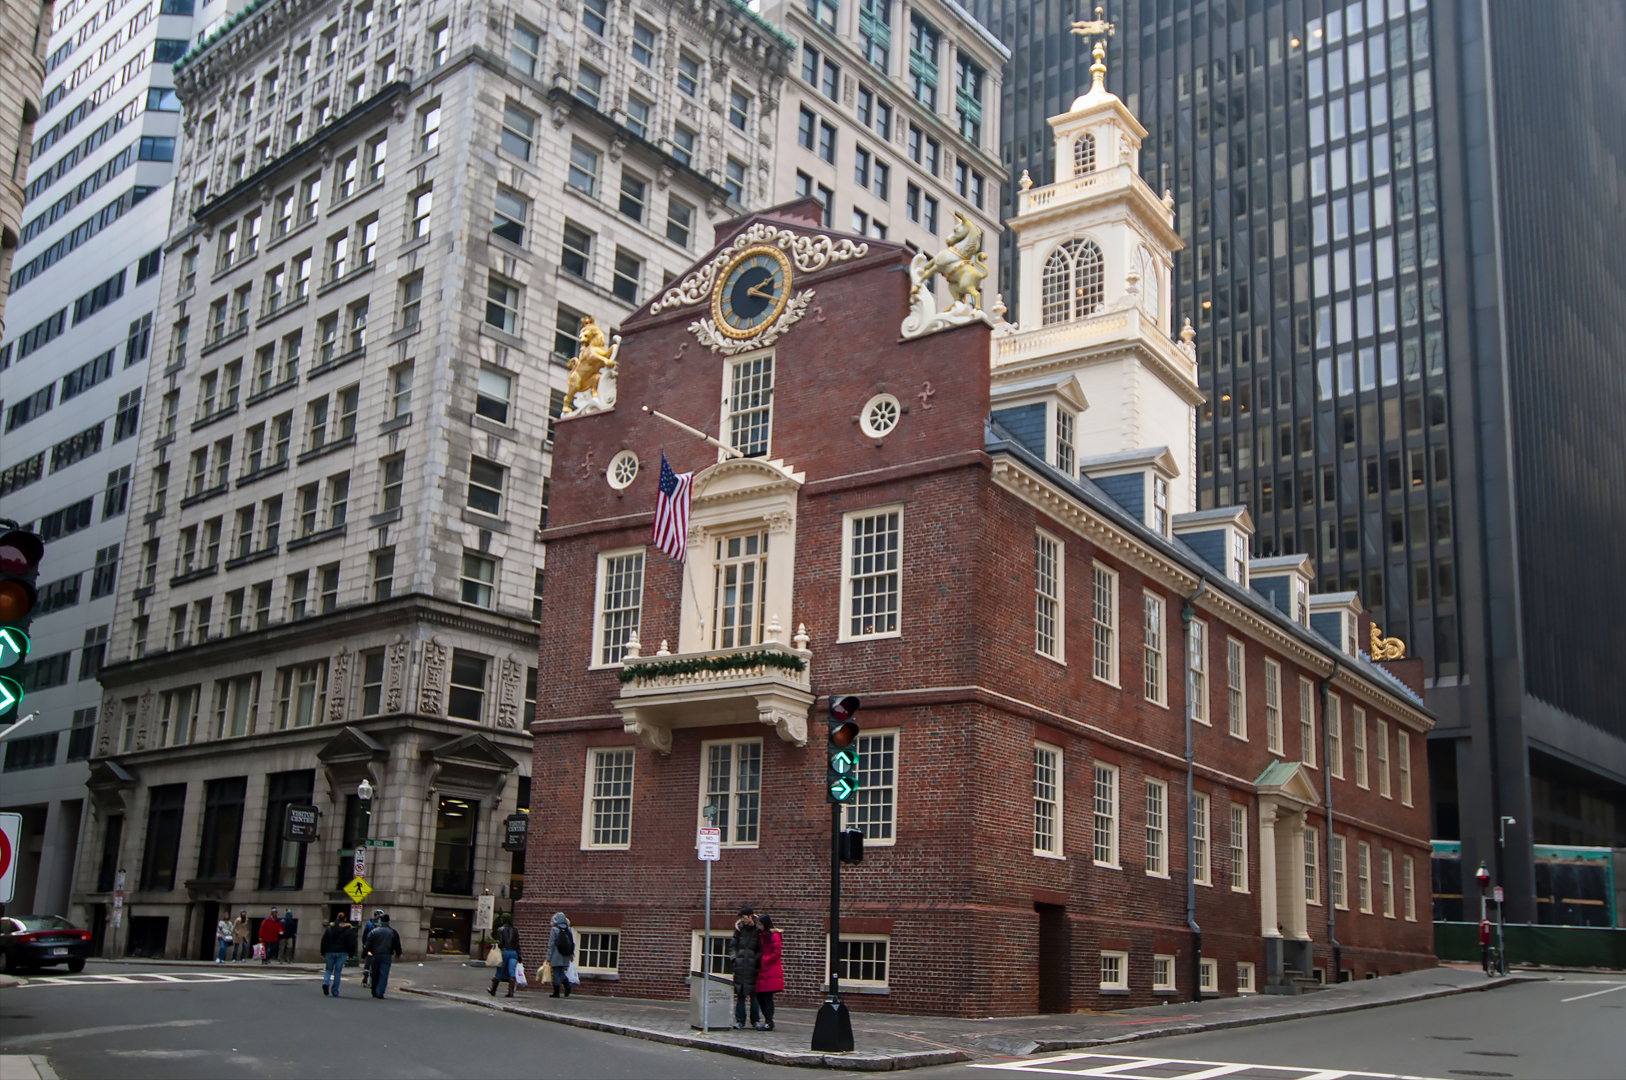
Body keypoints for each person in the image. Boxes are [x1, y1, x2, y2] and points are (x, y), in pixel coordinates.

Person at [729, 905, 762, 1030]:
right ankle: (740, 1021)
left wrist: (756, 960)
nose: (743, 920)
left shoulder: (758, 930)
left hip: (753, 967)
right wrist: (734, 958)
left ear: (751, 916)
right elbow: (733, 945)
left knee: (754, 996)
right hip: (741, 967)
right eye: (741, 918)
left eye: (744, 917)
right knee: (740, 995)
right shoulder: (739, 930)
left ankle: (755, 1021)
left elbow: (761, 948)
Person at [754, 914, 782, 1031]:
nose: (759, 926)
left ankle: (769, 1021)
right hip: (763, 970)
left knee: (767, 997)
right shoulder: (762, 935)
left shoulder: (773, 936)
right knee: (761, 997)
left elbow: (777, 952)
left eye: (760, 924)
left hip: (770, 970)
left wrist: (765, 960)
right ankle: (767, 1020)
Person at [366, 913, 402, 998]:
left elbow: (368, 944)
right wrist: (398, 953)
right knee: (384, 974)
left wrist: (365, 954)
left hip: (376, 954)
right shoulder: (392, 932)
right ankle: (380, 992)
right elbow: (396, 944)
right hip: (386, 954)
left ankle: (374, 990)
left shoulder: (374, 932)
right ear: (388, 921)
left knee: (375, 973)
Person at [320, 912, 358, 997]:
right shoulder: (348, 929)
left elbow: (324, 940)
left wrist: (323, 951)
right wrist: (351, 954)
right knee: (337, 972)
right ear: (345, 919)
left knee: (328, 969)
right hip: (342, 952)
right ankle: (335, 991)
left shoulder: (330, 928)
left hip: (329, 951)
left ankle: (325, 982)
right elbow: (351, 943)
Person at [488, 914, 523, 999]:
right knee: (512, 972)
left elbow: (500, 943)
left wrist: (493, 945)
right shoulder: (515, 930)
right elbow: (517, 944)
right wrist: (519, 955)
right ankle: (511, 992)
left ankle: (493, 990)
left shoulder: (501, 929)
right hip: (513, 952)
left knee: (499, 971)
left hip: (505, 951)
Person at [546, 912, 574, 998]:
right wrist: (571, 955)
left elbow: (551, 944)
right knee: (560, 970)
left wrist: (548, 957)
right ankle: (567, 985)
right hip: (566, 954)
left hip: (556, 953)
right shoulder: (568, 929)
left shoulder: (554, 929)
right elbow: (571, 942)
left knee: (556, 972)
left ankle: (557, 991)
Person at [360, 909, 383, 988]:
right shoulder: (382, 925)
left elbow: (365, 934)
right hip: (378, 947)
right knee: (376, 963)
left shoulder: (369, 923)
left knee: (368, 961)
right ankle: (373, 979)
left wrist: (364, 944)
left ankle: (365, 976)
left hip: (370, 946)